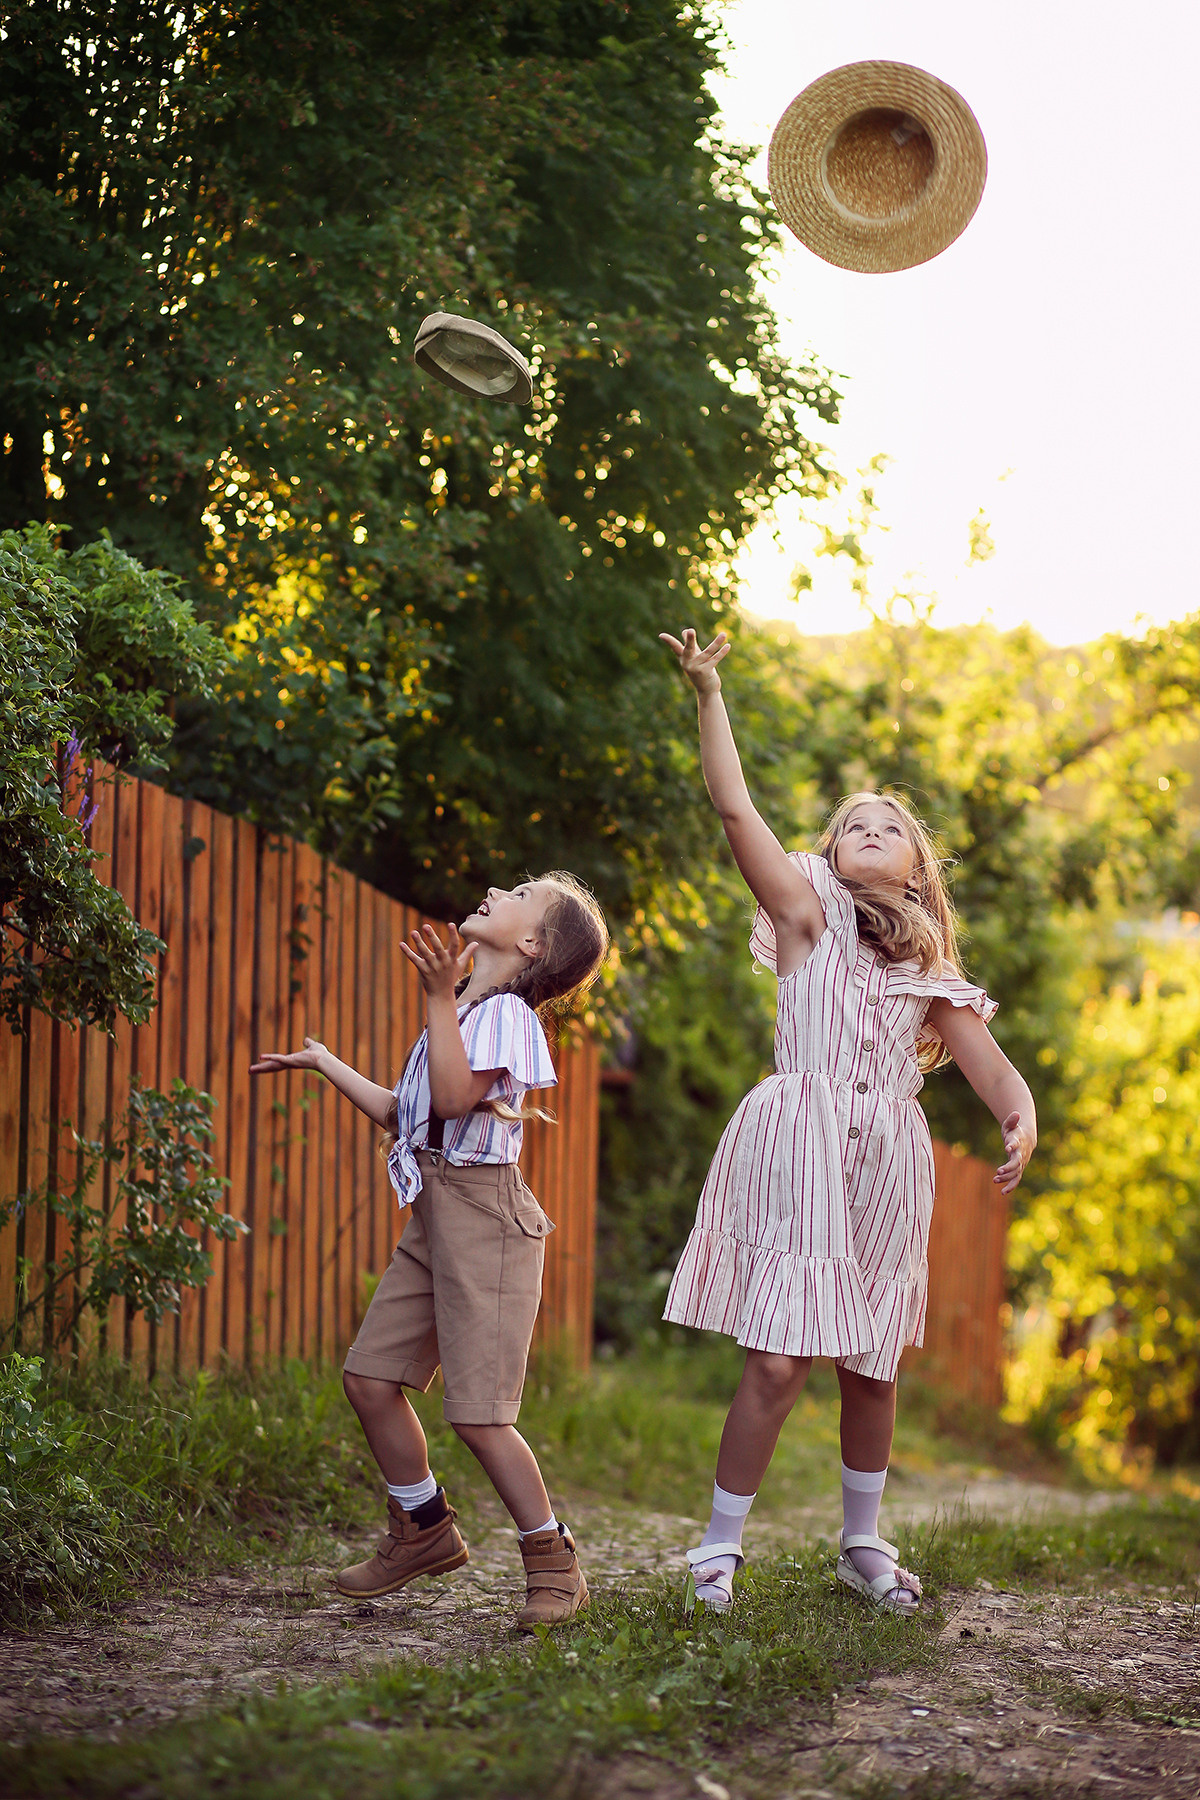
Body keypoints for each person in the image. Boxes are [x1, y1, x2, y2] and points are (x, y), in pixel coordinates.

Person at [658, 628, 1036, 1615]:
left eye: (888, 826)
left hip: (890, 1162)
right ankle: (718, 1546)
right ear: (829, 855)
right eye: (851, 824)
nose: (868, 828)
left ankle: (861, 1542)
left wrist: (1019, 1115)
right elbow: (734, 806)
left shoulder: (929, 970)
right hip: (801, 1140)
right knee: (779, 1359)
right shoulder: (805, 915)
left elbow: (992, 1068)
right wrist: (708, 694)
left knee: (872, 1366)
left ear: (916, 870)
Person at [250, 873, 608, 1630]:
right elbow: (408, 1115)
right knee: (371, 1379)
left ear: (532, 944)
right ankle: (423, 1528)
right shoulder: (465, 1011)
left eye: (521, 893)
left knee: (480, 1416)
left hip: (487, 1222)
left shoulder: (506, 1015)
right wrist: (326, 1062)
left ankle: (554, 1563)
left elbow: (451, 1100)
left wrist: (439, 998)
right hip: (435, 1215)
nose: (495, 888)